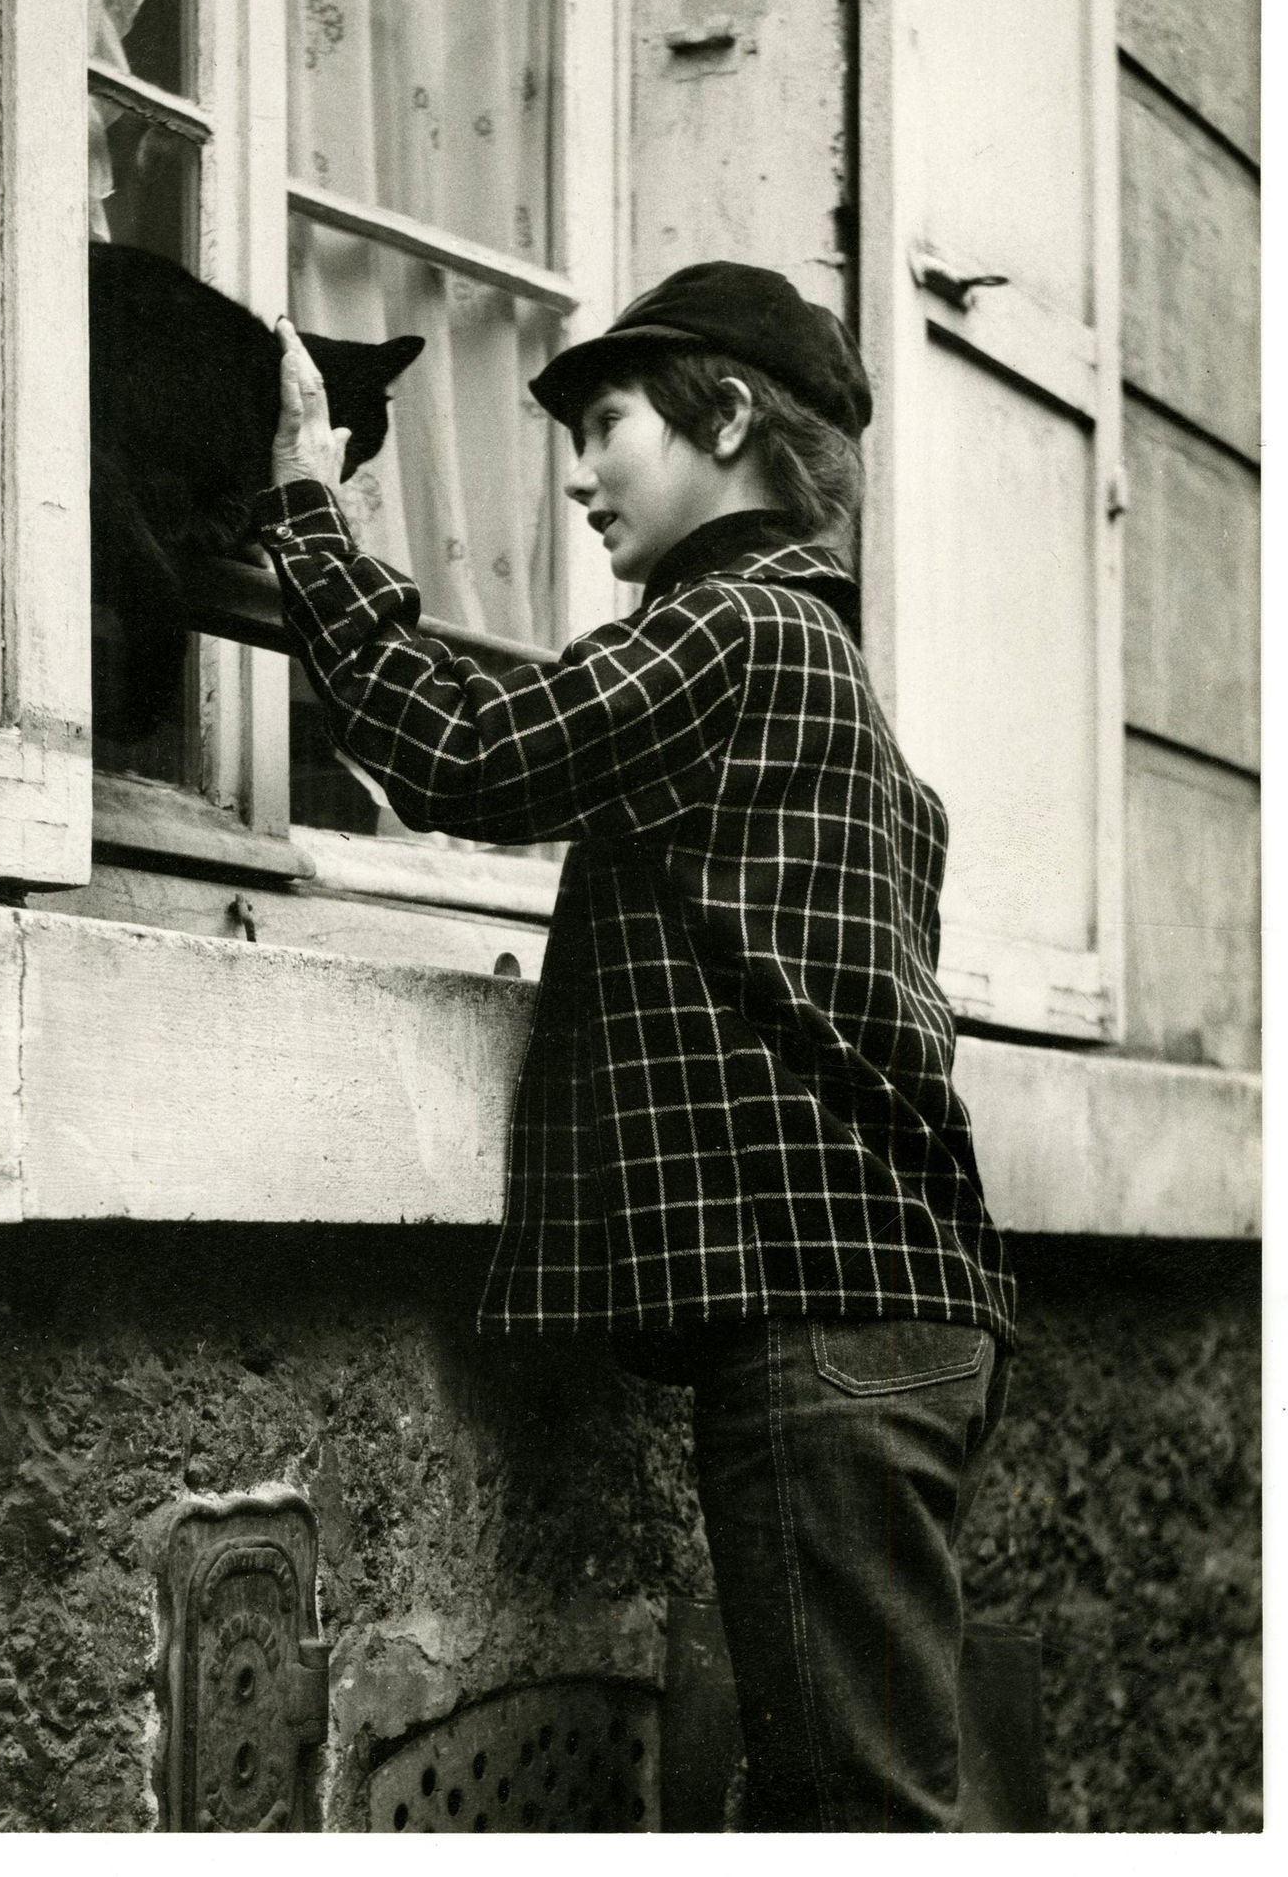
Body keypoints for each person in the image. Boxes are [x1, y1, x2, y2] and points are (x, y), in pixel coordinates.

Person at [252, 262, 1017, 1832]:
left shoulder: (732, 630)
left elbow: (467, 749)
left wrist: (310, 515)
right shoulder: (833, 683)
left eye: (607, 424)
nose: (580, 473)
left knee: (858, 1815)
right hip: (893, 1308)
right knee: (823, 1794)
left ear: (726, 417)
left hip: (833, 1318)